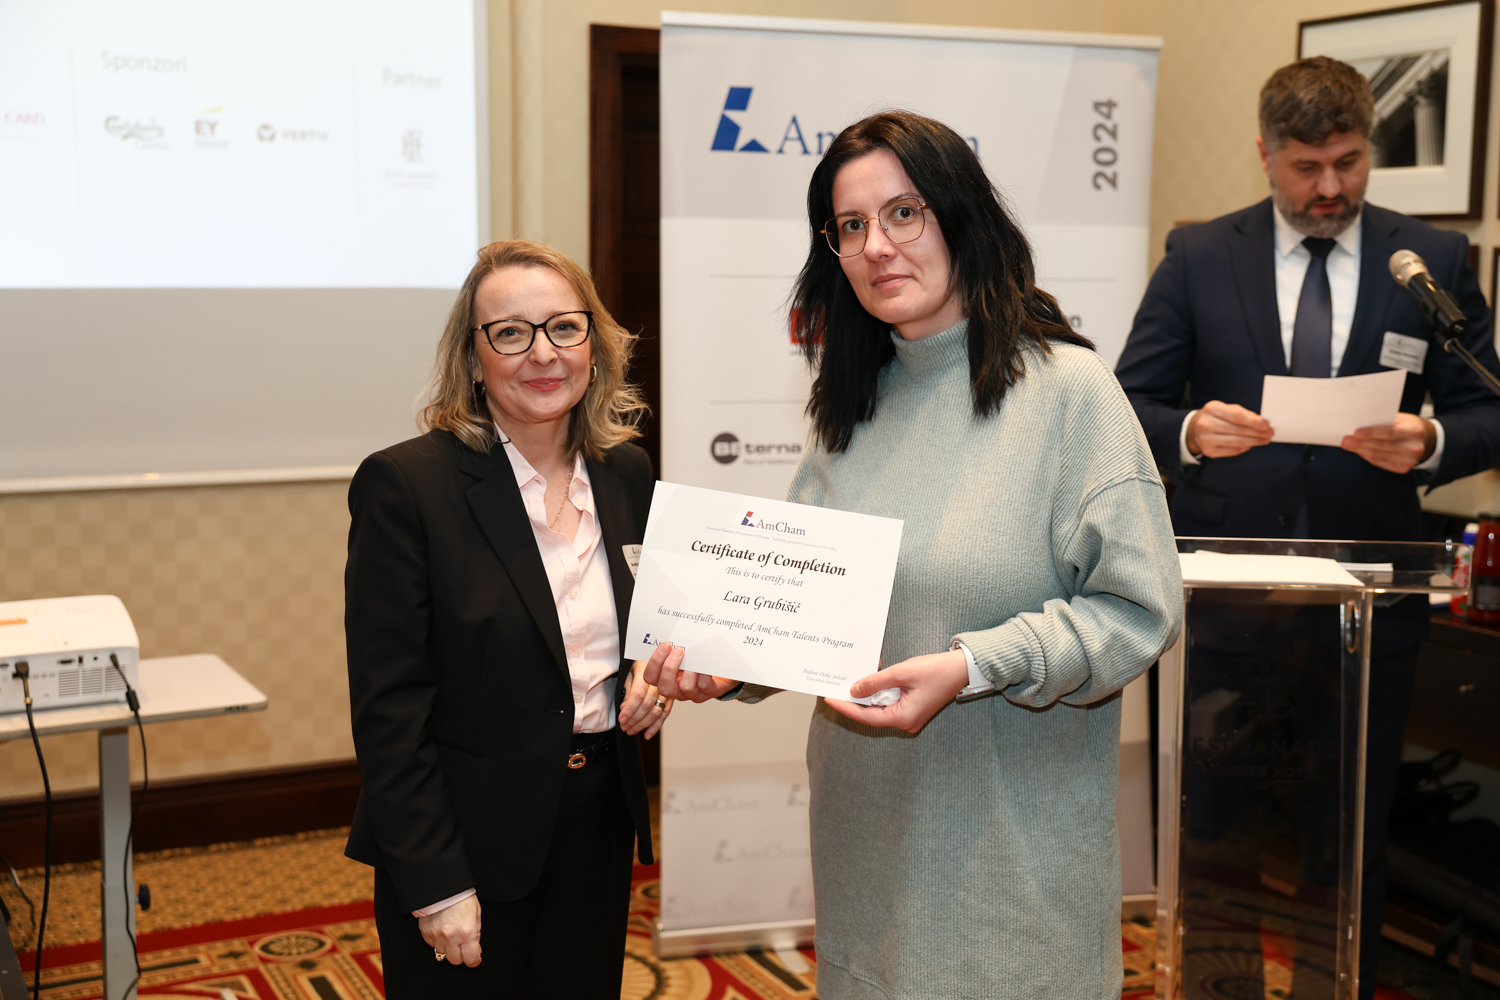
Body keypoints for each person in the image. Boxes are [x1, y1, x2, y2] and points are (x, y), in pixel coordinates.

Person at [646, 111, 1183, 999]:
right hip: (865, 841)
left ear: (961, 216)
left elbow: (1141, 610)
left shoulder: (1070, 394)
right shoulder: (851, 404)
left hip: (1011, 868)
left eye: (904, 213)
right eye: (850, 226)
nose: (877, 246)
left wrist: (976, 666)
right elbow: (803, 604)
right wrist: (727, 660)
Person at [1114, 57, 1500, 999]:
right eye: (1305, 166)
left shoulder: (1429, 260)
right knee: (1217, 827)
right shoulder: (1200, 253)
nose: (1330, 187)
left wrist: (1431, 439)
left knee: (1351, 829)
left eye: (1349, 162)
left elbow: (1489, 407)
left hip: (1372, 597)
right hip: (1227, 597)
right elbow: (1127, 401)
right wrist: (1191, 431)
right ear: (1265, 153)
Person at [344, 240, 670, 999]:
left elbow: (625, 632)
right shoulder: (406, 486)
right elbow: (389, 709)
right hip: (468, 838)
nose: (543, 353)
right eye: (511, 333)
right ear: (472, 357)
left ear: (594, 343)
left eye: (564, 327)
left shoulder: (627, 473)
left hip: (597, 824)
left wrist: (645, 675)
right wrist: (436, 881)